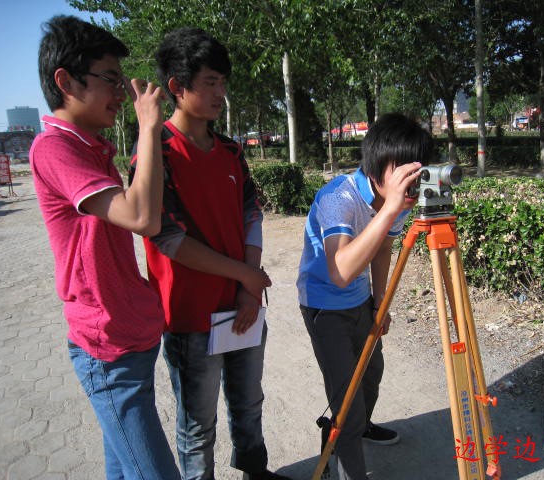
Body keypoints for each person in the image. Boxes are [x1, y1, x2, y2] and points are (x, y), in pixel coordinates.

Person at [131, 27, 289, 480]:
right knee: (198, 425)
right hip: (190, 316)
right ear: (177, 87)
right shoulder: (156, 154)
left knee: (249, 402)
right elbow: (167, 238)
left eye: (223, 82)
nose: (221, 93)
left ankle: (256, 469)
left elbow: (251, 214)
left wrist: (247, 286)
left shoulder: (231, 151)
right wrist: (245, 275)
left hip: (242, 304)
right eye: (210, 82)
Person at [30, 15, 180, 480]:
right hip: (106, 349)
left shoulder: (91, 148)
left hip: (127, 334)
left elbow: (139, 215)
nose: (120, 92)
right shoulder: (54, 148)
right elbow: (142, 218)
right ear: (66, 81)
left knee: (123, 466)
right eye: (110, 79)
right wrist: (149, 127)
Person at [297, 113, 434, 480]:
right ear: (377, 165)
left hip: (360, 301)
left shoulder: (395, 200)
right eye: (403, 169)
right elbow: (341, 271)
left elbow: (383, 249)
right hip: (324, 307)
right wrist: (389, 209)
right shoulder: (337, 197)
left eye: (417, 169)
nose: (411, 180)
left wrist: (379, 302)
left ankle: (359, 426)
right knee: (347, 403)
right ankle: (346, 444)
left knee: (372, 373)